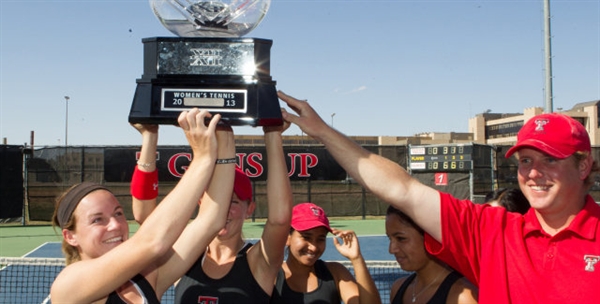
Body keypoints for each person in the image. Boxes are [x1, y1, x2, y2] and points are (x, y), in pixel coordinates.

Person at [278, 90, 600, 303]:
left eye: (550, 159)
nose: (533, 173)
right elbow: (401, 188)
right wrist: (321, 131)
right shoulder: (493, 231)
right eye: (525, 161)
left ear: (583, 164)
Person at [50, 109, 234, 303]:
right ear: (70, 236)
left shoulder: (143, 279)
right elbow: (152, 242)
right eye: (97, 220)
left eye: (118, 213)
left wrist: (225, 137)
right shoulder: (68, 286)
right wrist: (202, 158)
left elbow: (211, 220)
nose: (115, 225)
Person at [133, 122, 293, 303]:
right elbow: (144, 217)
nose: (223, 210)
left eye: (233, 201)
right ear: (202, 203)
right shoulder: (184, 257)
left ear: (250, 209)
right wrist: (149, 136)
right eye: (217, 202)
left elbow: (280, 220)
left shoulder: (260, 260)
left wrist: (273, 134)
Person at [270, 202, 381, 304]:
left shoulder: (336, 273)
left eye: (320, 239)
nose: (313, 247)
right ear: (287, 237)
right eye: (306, 237)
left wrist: (357, 259)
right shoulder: (270, 278)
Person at [386, 206, 478, 304]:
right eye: (390, 239)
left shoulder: (461, 296)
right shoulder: (398, 288)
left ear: (431, 237)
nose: (391, 249)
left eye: (401, 238)